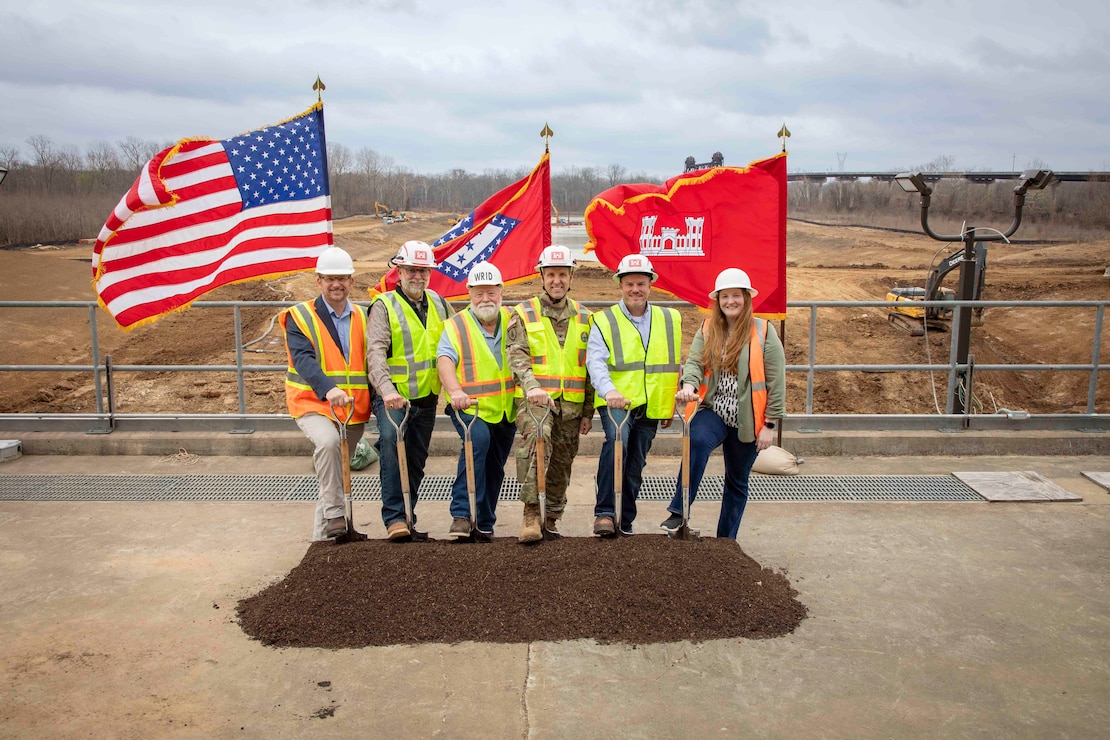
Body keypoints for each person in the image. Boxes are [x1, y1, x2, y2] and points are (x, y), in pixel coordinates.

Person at [661, 267, 786, 539]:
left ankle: (725, 542)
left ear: (746, 298)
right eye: (725, 296)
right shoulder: (708, 328)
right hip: (713, 411)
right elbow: (694, 362)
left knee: (737, 481)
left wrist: (770, 425)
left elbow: (776, 382)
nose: (731, 301)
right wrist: (689, 385)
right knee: (695, 442)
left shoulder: (764, 331)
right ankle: (679, 511)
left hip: (748, 419)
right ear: (717, 300)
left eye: (736, 296)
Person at [280, 246, 371, 541]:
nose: (337, 284)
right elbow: (303, 359)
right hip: (312, 404)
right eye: (330, 278)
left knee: (334, 468)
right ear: (318, 281)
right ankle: (335, 515)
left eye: (343, 278)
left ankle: (325, 541)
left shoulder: (364, 316)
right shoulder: (300, 317)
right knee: (329, 444)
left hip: (354, 410)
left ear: (352, 282)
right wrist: (328, 389)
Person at [587, 254, 682, 536]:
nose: (635, 289)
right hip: (617, 401)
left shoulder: (670, 318)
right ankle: (605, 513)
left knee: (636, 460)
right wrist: (609, 391)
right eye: (629, 284)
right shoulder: (604, 320)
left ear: (650, 284)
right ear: (620, 285)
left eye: (641, 283)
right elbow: (596, 362)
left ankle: (625, 520)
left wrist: (668, 403)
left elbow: (673, 361)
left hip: (652, 403)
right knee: (617, 443)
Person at [367, 241, 454, 541]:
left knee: (415, 460)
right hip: (393, 399)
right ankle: (394, 518)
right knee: (392, 448)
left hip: (427, 398)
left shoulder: (440, 304)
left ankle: (408, 515)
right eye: (411, 270)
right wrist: (387, 391)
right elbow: (375, 352)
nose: (417, 276)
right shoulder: (384, 305)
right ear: (399, 271)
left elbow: (457, 342)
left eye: (423, 271)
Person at [507, 245, 594, 543]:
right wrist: (531, 386)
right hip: (535, 402)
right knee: (538, 440)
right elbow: (517, 354)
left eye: (562, 274)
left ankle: (553, 516)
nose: (556, 280)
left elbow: (590, 368)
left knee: (563, 460)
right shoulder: (523, 313)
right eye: (551, 274)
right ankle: (531, 512)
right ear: (542, 276)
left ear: (570, 277)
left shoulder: (586, 317)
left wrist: (587, 412)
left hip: (571, 406)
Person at [437, 261, 517, 540]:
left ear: (501, 292)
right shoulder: (456, 325)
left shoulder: (513, 319)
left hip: (506, 409)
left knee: (495, 466)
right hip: (469, 407)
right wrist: (455, 390)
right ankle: (461, 513)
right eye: (479, 293)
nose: (485, 299)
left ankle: (484, 522)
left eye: (491, 292)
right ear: (469, 293)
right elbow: (445, 359)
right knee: (477, 442)